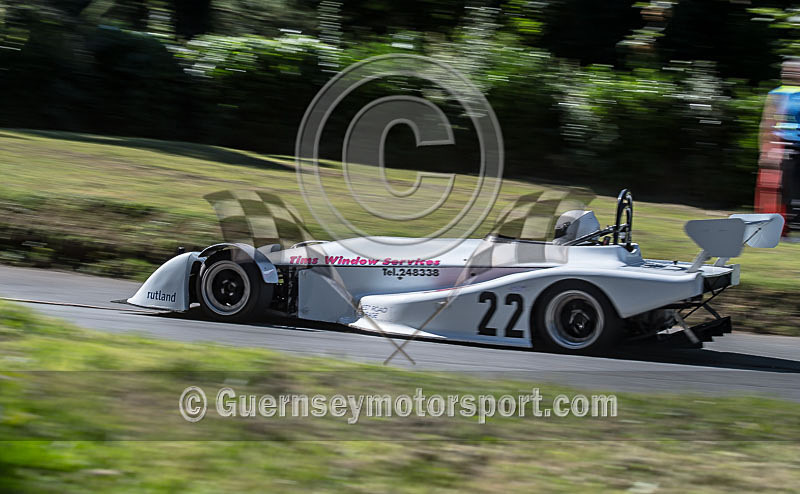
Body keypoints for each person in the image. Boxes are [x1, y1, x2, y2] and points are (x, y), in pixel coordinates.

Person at [758, 59, 800, 236]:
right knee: (788, 188)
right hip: (785, 146)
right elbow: (767, 122)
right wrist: (764, 150)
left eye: (794, 71)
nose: (790, 74)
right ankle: (789, 227)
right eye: (787, 71)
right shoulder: (776, 94)